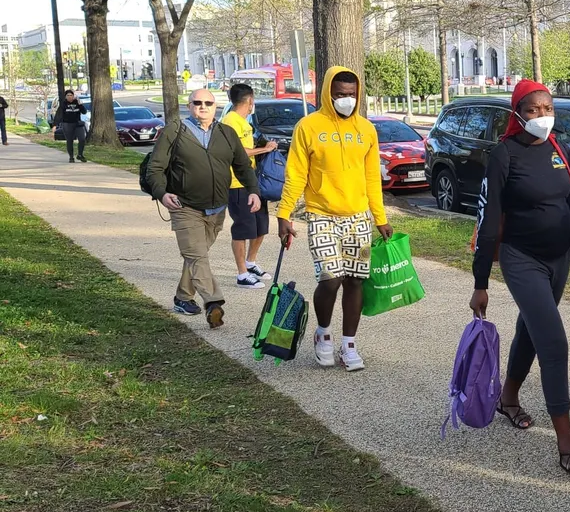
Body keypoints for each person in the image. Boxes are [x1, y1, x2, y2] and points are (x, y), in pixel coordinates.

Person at [469, 79, 570, 476]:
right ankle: (567, 443)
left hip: (558, 260)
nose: (543, 116)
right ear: (517, 114)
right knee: (553, 342)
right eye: (533, 110)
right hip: (521, 259)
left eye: (548, 108)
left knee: (531, 329)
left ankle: (507, 399)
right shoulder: (504, 155)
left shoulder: (561, 150)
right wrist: (480, 282)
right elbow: (489, 221)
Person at [277, 67, 393, 372]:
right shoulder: (308, 127)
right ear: (328, 93)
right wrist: (284, 213)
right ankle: (323, 333)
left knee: (355, 280)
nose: (346, 100)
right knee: (331, 279)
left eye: (351, 95)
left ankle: (349, 344)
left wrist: (380, 218)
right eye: (340, 94)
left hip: (358, 217)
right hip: (321, 215)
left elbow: (372, 178)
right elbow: (296, 173)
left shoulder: (366, 130)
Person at [146, 87, 260, 327]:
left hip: (217, 209)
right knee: (197, 256)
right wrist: (162, 194)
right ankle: (213, 303)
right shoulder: (174, 131)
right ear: (189, 106)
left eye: (208, 103)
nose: (203, 107)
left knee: (196, 256)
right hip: (184, 206)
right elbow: (154, 168)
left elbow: (243, 166)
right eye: (197, 103)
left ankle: (182, 297)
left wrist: (253, 191)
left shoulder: (226, 133)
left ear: (215, 107)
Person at [223, 83, 278, 288]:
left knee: (261, 225)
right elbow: (237, 152)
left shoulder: (244, 121)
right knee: (242, 228)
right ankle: (242, 274)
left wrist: (263, 145)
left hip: (252, 180)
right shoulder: (230, 121)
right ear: (250, 100)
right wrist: (264, 150)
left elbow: (249, 145)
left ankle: (251, 262)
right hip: (236, 183)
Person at [56, 89, 87, 162]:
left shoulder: (77, 103)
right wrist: (56, 124)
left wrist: (80, 105)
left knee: (82, 139)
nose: (70, 97)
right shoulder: (63, 104)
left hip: (78, 124)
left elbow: (84, 112)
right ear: (65, 96)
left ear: (73, 96)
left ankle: (80, 155)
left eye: (71, 95)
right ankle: (71, 157)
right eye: (68, 95)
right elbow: (59, 115)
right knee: (70, 140)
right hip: (67, 124)